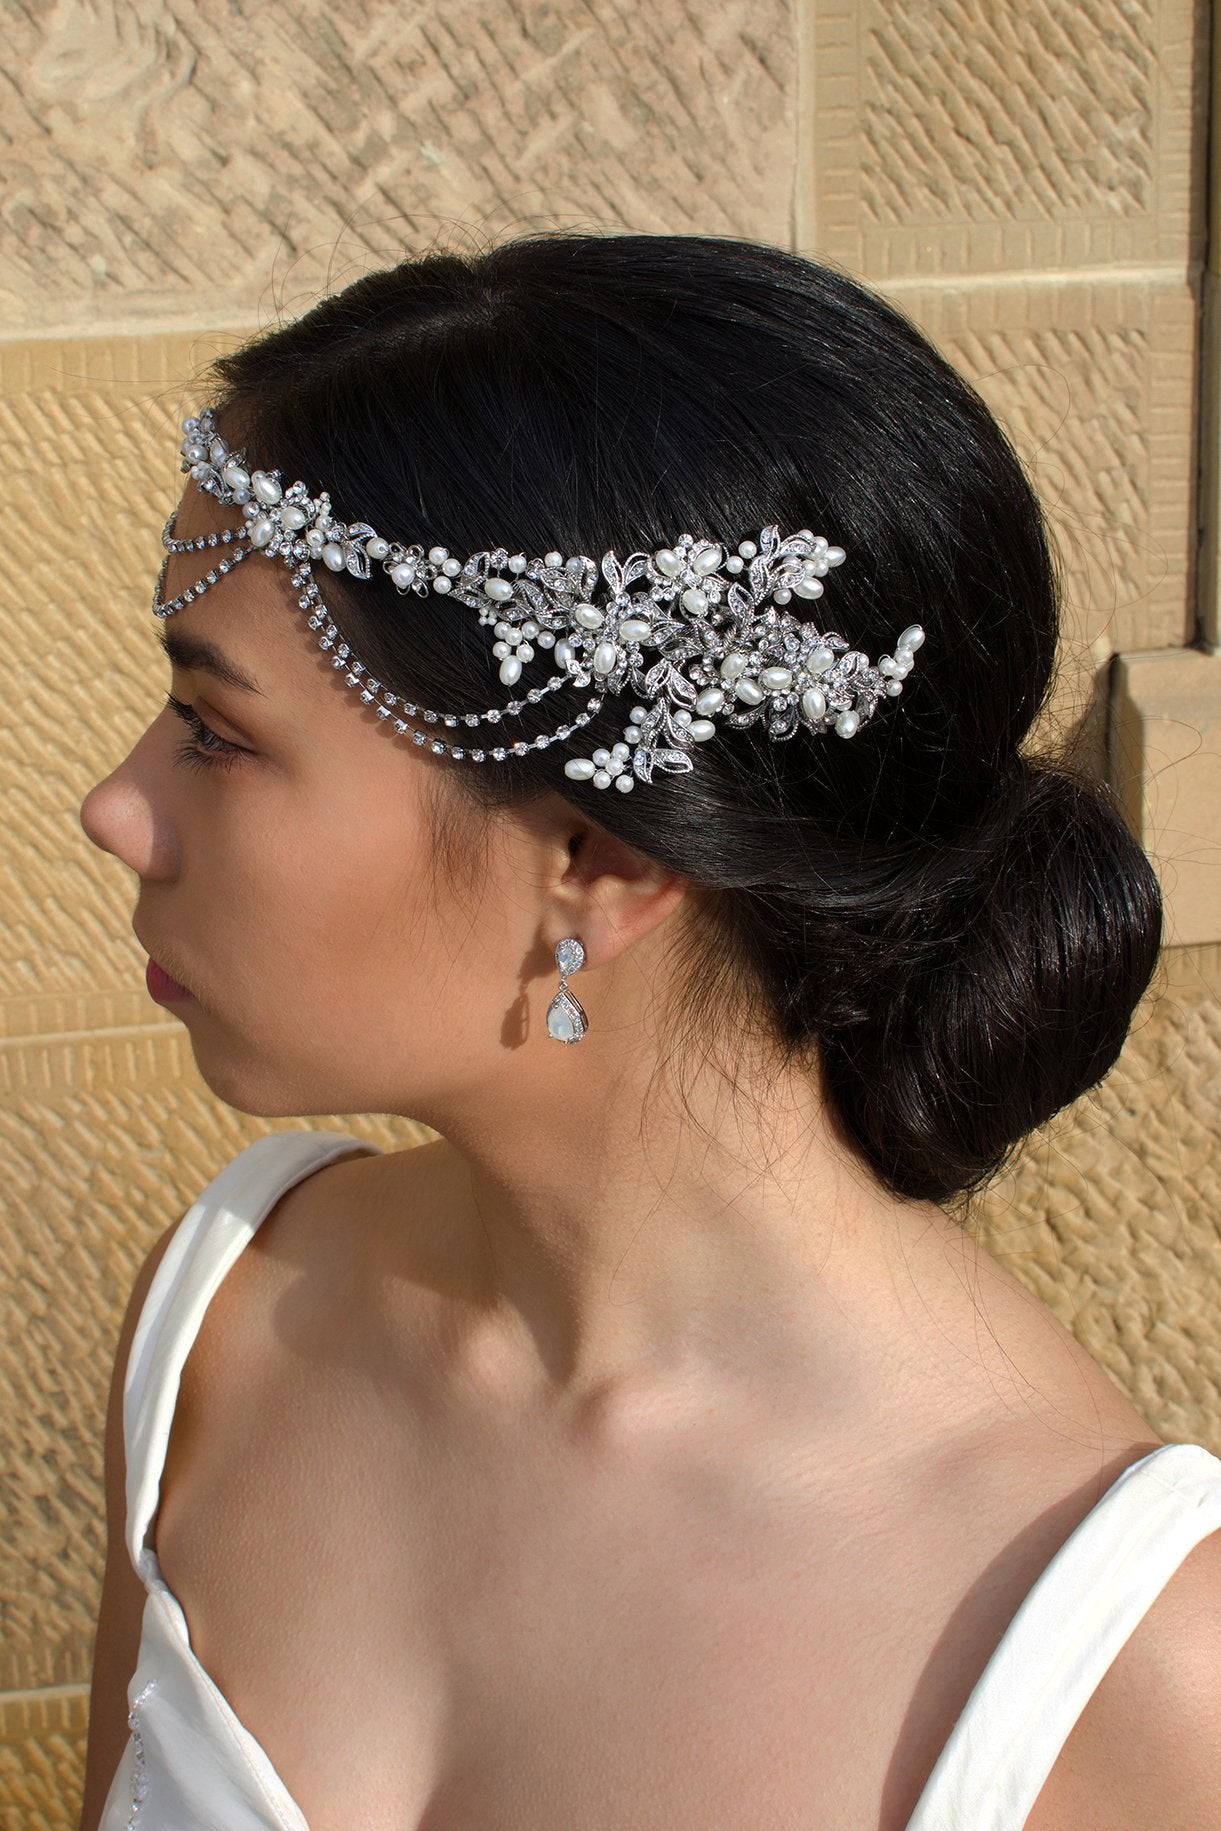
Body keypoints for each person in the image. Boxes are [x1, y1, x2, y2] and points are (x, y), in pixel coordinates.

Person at [76, 231, 1220, 1830]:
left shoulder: (1121, 1663)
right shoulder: (226, 1324)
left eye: (215, 732)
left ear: (600, 862)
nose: (114, 808)